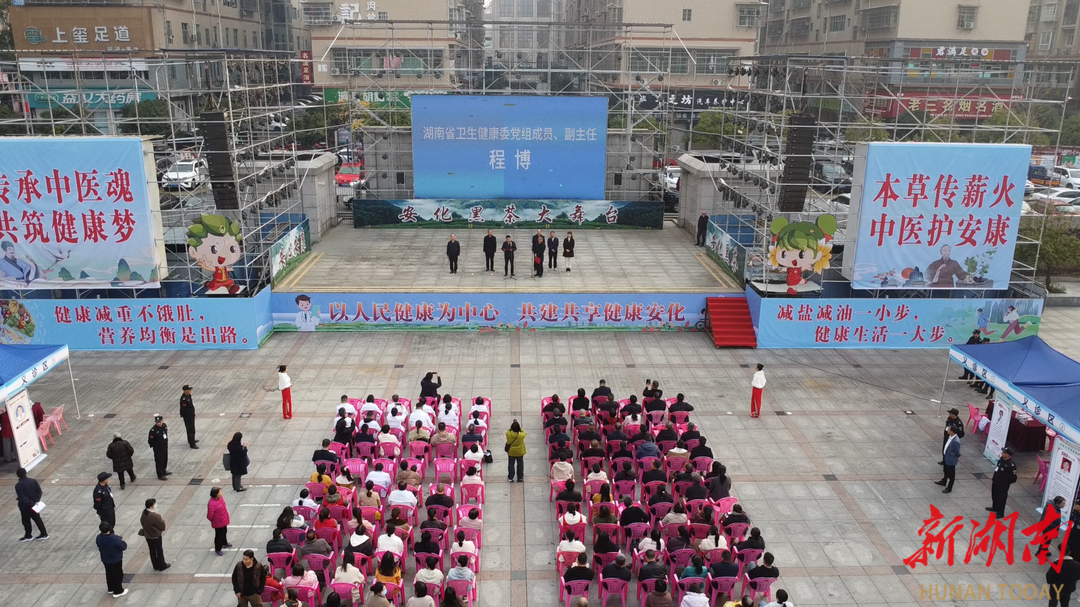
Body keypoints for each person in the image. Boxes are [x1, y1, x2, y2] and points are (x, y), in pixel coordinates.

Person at [96, 521, 128, 597]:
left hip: (105, 559)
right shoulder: (114, 539)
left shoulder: (99, 538)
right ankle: (118, 591)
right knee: (118, 574)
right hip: (115, 559)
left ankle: (111, 588)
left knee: (109, 573)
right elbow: (123, 546)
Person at [15, 467, 47, 541]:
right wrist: (36, 501)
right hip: (34, 505)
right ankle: (44, 533)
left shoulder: (18, 485)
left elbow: (22, 497)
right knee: (37, 519)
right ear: (26, 473)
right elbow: (39, 491)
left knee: (26, 521)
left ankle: (28, 535)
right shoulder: (33, 481)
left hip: (25, 507)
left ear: (18, 475)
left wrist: (31, 503)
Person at [987, 447, 1018, 518]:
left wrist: (1005, 483)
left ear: (1008, 455)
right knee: (994, 495)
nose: (1002, 453)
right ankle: (995, 507)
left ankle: (1000, 512)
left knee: (1001, 498)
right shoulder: (1002, 459)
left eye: (1004, 453)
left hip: (1003, 484)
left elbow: (1013, 477)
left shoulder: (1011, 465)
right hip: (996, 481)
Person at [140, 498, 169, 571]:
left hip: (148, 535)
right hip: (155, 536)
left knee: (152, 550)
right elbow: (162, 526)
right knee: (159, 550)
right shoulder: (155, 516)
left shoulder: (144, 513)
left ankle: (155, 565)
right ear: (151, 506)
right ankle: (162, 565)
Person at [936, 425, 961, 494]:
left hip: (951, 460)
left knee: (951, 475)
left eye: (949, 429)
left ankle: (949, 488)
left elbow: (957, 452)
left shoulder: (956, 441)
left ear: (952, 431)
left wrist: (953, 457)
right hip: (946, 458)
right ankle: (944, 481)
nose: (947, 430)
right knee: (945, 470)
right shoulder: (950, 437)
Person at [207, 487, 232, 556]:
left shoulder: (220, 498)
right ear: (216, 494)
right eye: (220, 491)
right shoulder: (212, 504)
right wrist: (215, 520)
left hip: (223, 519)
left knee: (224, 531)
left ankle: (224, 542)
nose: (222, 492)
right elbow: (209, 515)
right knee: (218, 536)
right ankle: (218, 548)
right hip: (218, 522)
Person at [148, 415, 171, 480]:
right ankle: (160, 474)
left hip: (164, 446)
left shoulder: (164, 426)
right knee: (159, 461)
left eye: (159, 422)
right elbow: (150, 440)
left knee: (165, 459)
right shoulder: (153, 430)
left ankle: (164, 470)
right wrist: (155, 446)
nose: (158, 423)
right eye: (157, 422)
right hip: (158, 448)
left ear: (162, 421)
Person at [179, 384, 200, 449]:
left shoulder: (188, 396)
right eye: (189, 390)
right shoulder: (184, 399)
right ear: (186, 391)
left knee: (192, 428)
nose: (191, 390)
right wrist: (185, 415)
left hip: (190, 415)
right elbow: (183, 409)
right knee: (190, 429)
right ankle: (192, 443)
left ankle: (192, 439)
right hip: (187, 416)